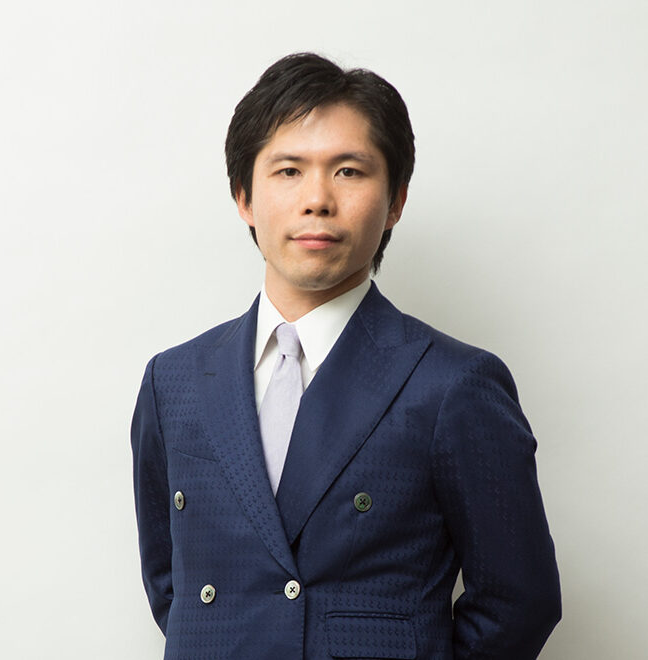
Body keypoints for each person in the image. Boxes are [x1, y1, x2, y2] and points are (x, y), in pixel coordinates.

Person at [131, 52, 561, 660]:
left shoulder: (453, 384)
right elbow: (172, 589)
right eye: (288, 170)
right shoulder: (173, 380)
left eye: (349, 171)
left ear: (395, 201)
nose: (317, 199)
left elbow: (519, 602)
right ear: (244, 197)